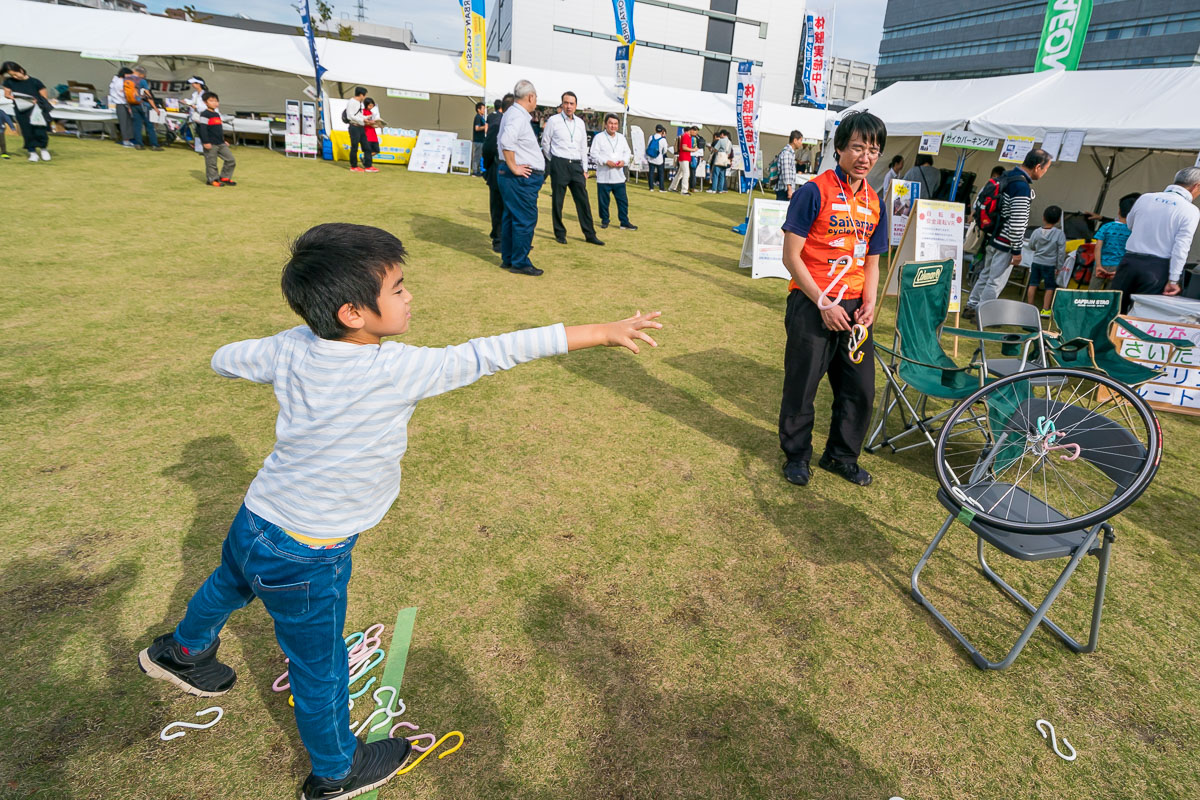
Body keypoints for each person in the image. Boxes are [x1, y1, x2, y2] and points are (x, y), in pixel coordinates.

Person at [137, 220, 663, 800]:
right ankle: (336, 771)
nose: (410, 297)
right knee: (318, 668)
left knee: (229, 583)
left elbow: (223, 359)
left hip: (257, 518)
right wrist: (600, 331)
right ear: (352, 314)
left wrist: (272, 352)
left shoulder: (289, 346)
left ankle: (182, 652)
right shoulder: (398, 369)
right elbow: (496, 351)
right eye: (398, 289)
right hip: (310, 551)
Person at [778, 111, 889, 488]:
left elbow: (872, 262)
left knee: (860, 388)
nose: (866, 156)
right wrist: (823, 303)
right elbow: (790, 256)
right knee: (803, 383)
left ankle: (841, 456)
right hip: (813, 304)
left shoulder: (875, 202)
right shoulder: (814, 191)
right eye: (858, 147)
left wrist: (870, 303)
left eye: (873, 149)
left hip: (855, 310)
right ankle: (797, 456)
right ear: (840, 147)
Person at [963, 149, 1053, 320]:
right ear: (1038, 167)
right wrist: (1017, 250)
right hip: (1005, 242)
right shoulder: (1021, 187)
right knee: (995, 281)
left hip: (992, 236)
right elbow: (1018, 222)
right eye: (1046, 168)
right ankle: (983, 316)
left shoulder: (1006, 176)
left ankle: (971, 306)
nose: (1045, 172)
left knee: (986, 275)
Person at [1112, 167, 1200, 312]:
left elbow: (1129, 224)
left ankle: (1102, 334)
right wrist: (1173, 279)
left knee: (1113, 309)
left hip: (1129, 261)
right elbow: (1181, 247)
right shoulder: (1190, 210)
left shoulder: (1146, 198)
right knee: (1141, 314)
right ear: (1196, 186)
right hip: (1157, 268)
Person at [540, 91, 603, 246]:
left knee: (583, 201)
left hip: (576, 165)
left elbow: (583, 147)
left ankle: (590, 234)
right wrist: (553, 160)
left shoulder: (580, 123)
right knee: (558, 200)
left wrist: (585, 169)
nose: (568, 106)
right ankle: (560, 232)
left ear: (576, 106)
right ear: (562, 104)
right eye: (566, 103)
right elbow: (545, 143)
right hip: (559, 162)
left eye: (571, 103)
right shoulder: (553, 121)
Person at [498, 80, 547, 276]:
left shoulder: (511, 113)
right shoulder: (518, 116)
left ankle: (509, 258)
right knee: (525, 218)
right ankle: (519, 261)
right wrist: (514, 167)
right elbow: (506, 141)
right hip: (520, 177)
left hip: (513, 175)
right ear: (530, 97)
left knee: (511, 216)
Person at [590, 113, 637, 232]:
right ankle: (605, 220)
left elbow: (627, 152)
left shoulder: (621, 138)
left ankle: (624, 221)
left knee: (622, 201)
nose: (613, 126)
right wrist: (605, 161)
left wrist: (624, 161)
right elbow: (593, 154)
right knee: (603, 201)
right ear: (605, 124)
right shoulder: (599, 137)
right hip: (604, 176)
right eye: (610, 123)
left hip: (619, 176)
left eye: (615, 124)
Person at [1, 61, 53, 162]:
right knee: (27, 131)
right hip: (21, 110)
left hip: (37, 109)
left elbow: (44, 97)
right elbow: (7, 94)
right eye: (12, 75)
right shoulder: (9, 82)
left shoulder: (35, 82)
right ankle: (32, 152)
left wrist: (36, 101)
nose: (14, 77)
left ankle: (43, 149)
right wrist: (13, 97)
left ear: (21, 70)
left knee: (40, 130)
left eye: (16, 74)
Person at [1088, 192, 1140, 289]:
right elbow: (1131, 252)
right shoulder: (1133, 232)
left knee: (1092, 294)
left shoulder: (1106, 226)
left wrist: (1098, 265)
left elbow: (1098, 247)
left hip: (1101, 265)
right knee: (1111, 296)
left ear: (1119, 211)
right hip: (1118, 267)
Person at [483, 93, 513, 253]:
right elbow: (488, 149)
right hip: (498, 168)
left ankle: (513, 239)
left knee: (512, 207)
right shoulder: (498, 123)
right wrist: (488, 168)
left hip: (514, 173)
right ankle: (498, 239)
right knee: (498, 207)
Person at [1025, 205, 1066, 316]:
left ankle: (1030, 307)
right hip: (1050, 264)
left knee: (1033, 284)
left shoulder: (1036, 232)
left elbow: (1031, 245)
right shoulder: (1059, 234)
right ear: (1058, 220)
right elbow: (1061, 252)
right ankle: (1045, 310)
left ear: (1043, 217)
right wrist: (1059, 266)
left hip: (1036, 262)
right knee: (1049, 287)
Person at [197, 91, 236, 187]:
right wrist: (205, 142)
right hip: (210, 144)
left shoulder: (217, 115)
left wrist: (223, 140)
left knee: (231, 160)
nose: (215, 103)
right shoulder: (205, 114)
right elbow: (203, 129)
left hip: (220, 143)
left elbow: (218, 130)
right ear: (205, 102)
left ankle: (225, 177)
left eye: (216, 101)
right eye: (211, 101)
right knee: (212, 163)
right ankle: (212, 180)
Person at [128, 66, 164, 151]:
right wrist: (155, 107)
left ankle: (138, 144)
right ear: (141, 74)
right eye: (144, 75)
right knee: (149, 125)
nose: (145, 76)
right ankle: (154, 144)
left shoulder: (129, 81)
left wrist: (129, 106)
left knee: (137, 125)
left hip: (133, 104)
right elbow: (148, 95)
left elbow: (128, 95)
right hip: (143, 105)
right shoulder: (142, 81)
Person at [774, 130, 804, 201]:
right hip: (784, 190)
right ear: (795, 140)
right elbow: (786, 172)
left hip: (786, 189)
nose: (801, 143)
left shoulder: (790, 153)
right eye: (800, 140)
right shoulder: (787, 153)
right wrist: (789, 189)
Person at [108, 66, 134, 147]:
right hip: (121, 104)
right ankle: (125, 140)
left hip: (123, 104)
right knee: (124, 123)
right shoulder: (119, 82)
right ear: (125, 74)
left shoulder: (118, 81)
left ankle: (128, 139)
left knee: (127, 122)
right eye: (129, 75)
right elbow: (124, 95)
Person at [345, 86, 369, 172]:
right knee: (354, 146)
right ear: (361, 95)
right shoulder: (352, 102)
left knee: (366, 146)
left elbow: (358, 114)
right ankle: (354, 166)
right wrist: (363, 119)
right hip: (354, 126)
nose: (365, 97)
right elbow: (350, 116)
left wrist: (367, 118)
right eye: (365, 95)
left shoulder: (359, 103)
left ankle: (368, 165)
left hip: (360, 126)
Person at [181, 76, 207, 151]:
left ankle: (205, 147)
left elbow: (205, 106)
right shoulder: (195, 93)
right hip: (196, 116)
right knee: (198, 131)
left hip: (203, 115)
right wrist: (185, 101)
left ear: (199, 84)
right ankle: (200, 148)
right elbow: (192, 101)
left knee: (203, 132)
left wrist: (196, 107)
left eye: (193, 83)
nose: (192, 85)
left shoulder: (205, 94)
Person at [359, 97, 382, 173]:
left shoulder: (372, 112)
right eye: (370, 105)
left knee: (376, 150)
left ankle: (365, 159)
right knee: (368, 151)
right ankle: (368, 166)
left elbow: (373, 122)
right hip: (366, 133)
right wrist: (370, 123)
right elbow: (363, 122)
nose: (371, 107)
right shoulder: (363, 112)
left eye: (372, 105)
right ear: (366, 105)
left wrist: (377, 124)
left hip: (373, 133)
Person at [669, 126, 692, 194]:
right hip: (684, 157)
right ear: (689, 131)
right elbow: (684, 147)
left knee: (680, 173)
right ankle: (684, 190)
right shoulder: (685, 136)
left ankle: (672, 187)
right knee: (686, 173)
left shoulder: (683, 136)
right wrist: (693, 150)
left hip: (683, 157)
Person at [646, 124, 668, 192]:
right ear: (662, 131)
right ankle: (661, 188)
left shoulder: (651, 137)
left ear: (655, 129)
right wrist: (661, 153)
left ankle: (651, 187)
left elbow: (648, 146)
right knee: (661, 173)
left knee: (651, 172)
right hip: (659, 159)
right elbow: (665, 150)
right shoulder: (663, 140)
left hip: (650, 158)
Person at [471, 101, 487, 177]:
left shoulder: (481, 118)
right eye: (483, 109)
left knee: (479, 156)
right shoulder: (477, 117)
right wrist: (486, 126)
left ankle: (478, 170)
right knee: (477, 156)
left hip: (481, 140)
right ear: (478, 109)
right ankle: (475, 171)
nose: (484, 110)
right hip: (478, 140)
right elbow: (477, 128)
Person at [690, 126, 706, 192]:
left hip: (692, 156)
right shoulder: (700, 138)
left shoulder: (692, 138)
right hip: (698, 156)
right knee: (693, 172)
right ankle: (692, 187)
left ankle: (691, 187)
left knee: (691, 172)